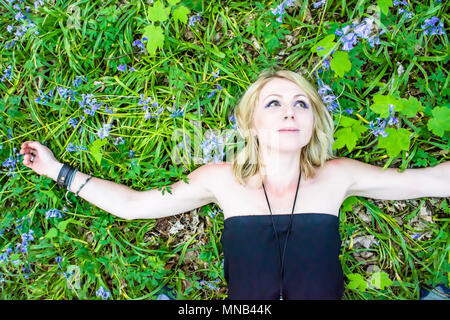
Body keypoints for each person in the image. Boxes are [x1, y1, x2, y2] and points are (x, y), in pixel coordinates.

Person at [20, 68, 450, 300]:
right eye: (275, 103)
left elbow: (423, 180)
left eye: (302, 103)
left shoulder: (336, 175)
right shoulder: (221, 180)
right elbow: (135, 206)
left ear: (313, 122)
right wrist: (58, 171)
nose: (289, 112)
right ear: (251, 122)